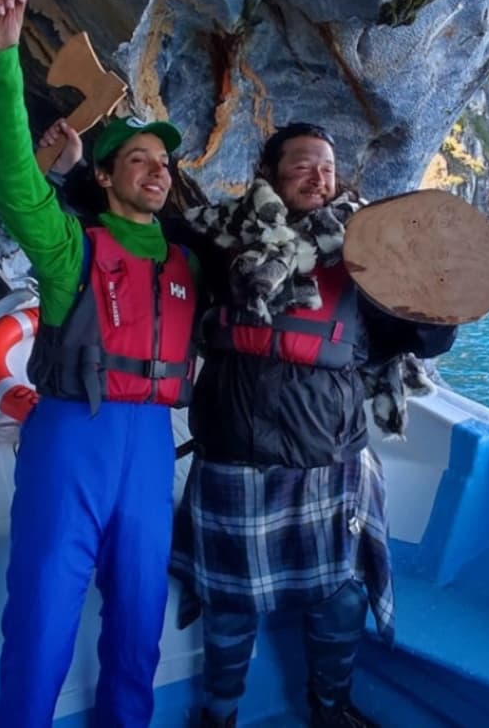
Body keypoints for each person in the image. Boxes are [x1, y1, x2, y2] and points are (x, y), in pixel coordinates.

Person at [170, 123, 459, 728]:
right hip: (233, 458)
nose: (318, 176)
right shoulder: (223, 243)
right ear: (271, 174)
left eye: (326, 166)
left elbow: (424, 337)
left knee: (341, 599)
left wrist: (444, 299)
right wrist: (72, 176)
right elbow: (146, 224)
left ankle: (331, 711)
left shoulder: (366, 262)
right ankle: (217, 716)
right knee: (229, 607)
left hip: (332, 464)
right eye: (301, 164)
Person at [0, 0, 201, 727]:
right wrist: (0, 59)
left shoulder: (193, 266)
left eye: (162, 162)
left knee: (138, 628)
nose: (155, 170)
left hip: (150, 449)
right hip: (72, 437)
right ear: (103, 178)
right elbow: (14, 183)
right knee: (42, 620)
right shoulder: (74, 250)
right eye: (136, 160)